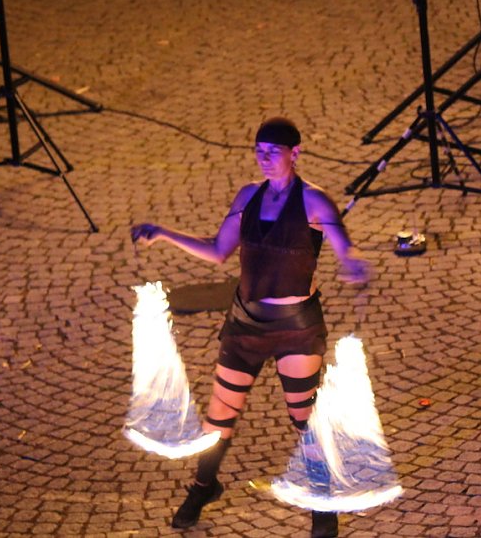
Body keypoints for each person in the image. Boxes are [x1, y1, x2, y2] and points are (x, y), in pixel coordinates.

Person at [131, 117, 369, 538]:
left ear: (294, 154)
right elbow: (218, 250)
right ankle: (205, 486)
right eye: (258, 150)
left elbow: (342, 245)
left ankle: (323, 499)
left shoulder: (315, 202)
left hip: (295, 326)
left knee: (304, 417)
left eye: (272, 151)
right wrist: (164, 233)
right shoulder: (248, 197)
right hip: (245, 323)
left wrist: (350, 263)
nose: (263, 158)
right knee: (219, 417)